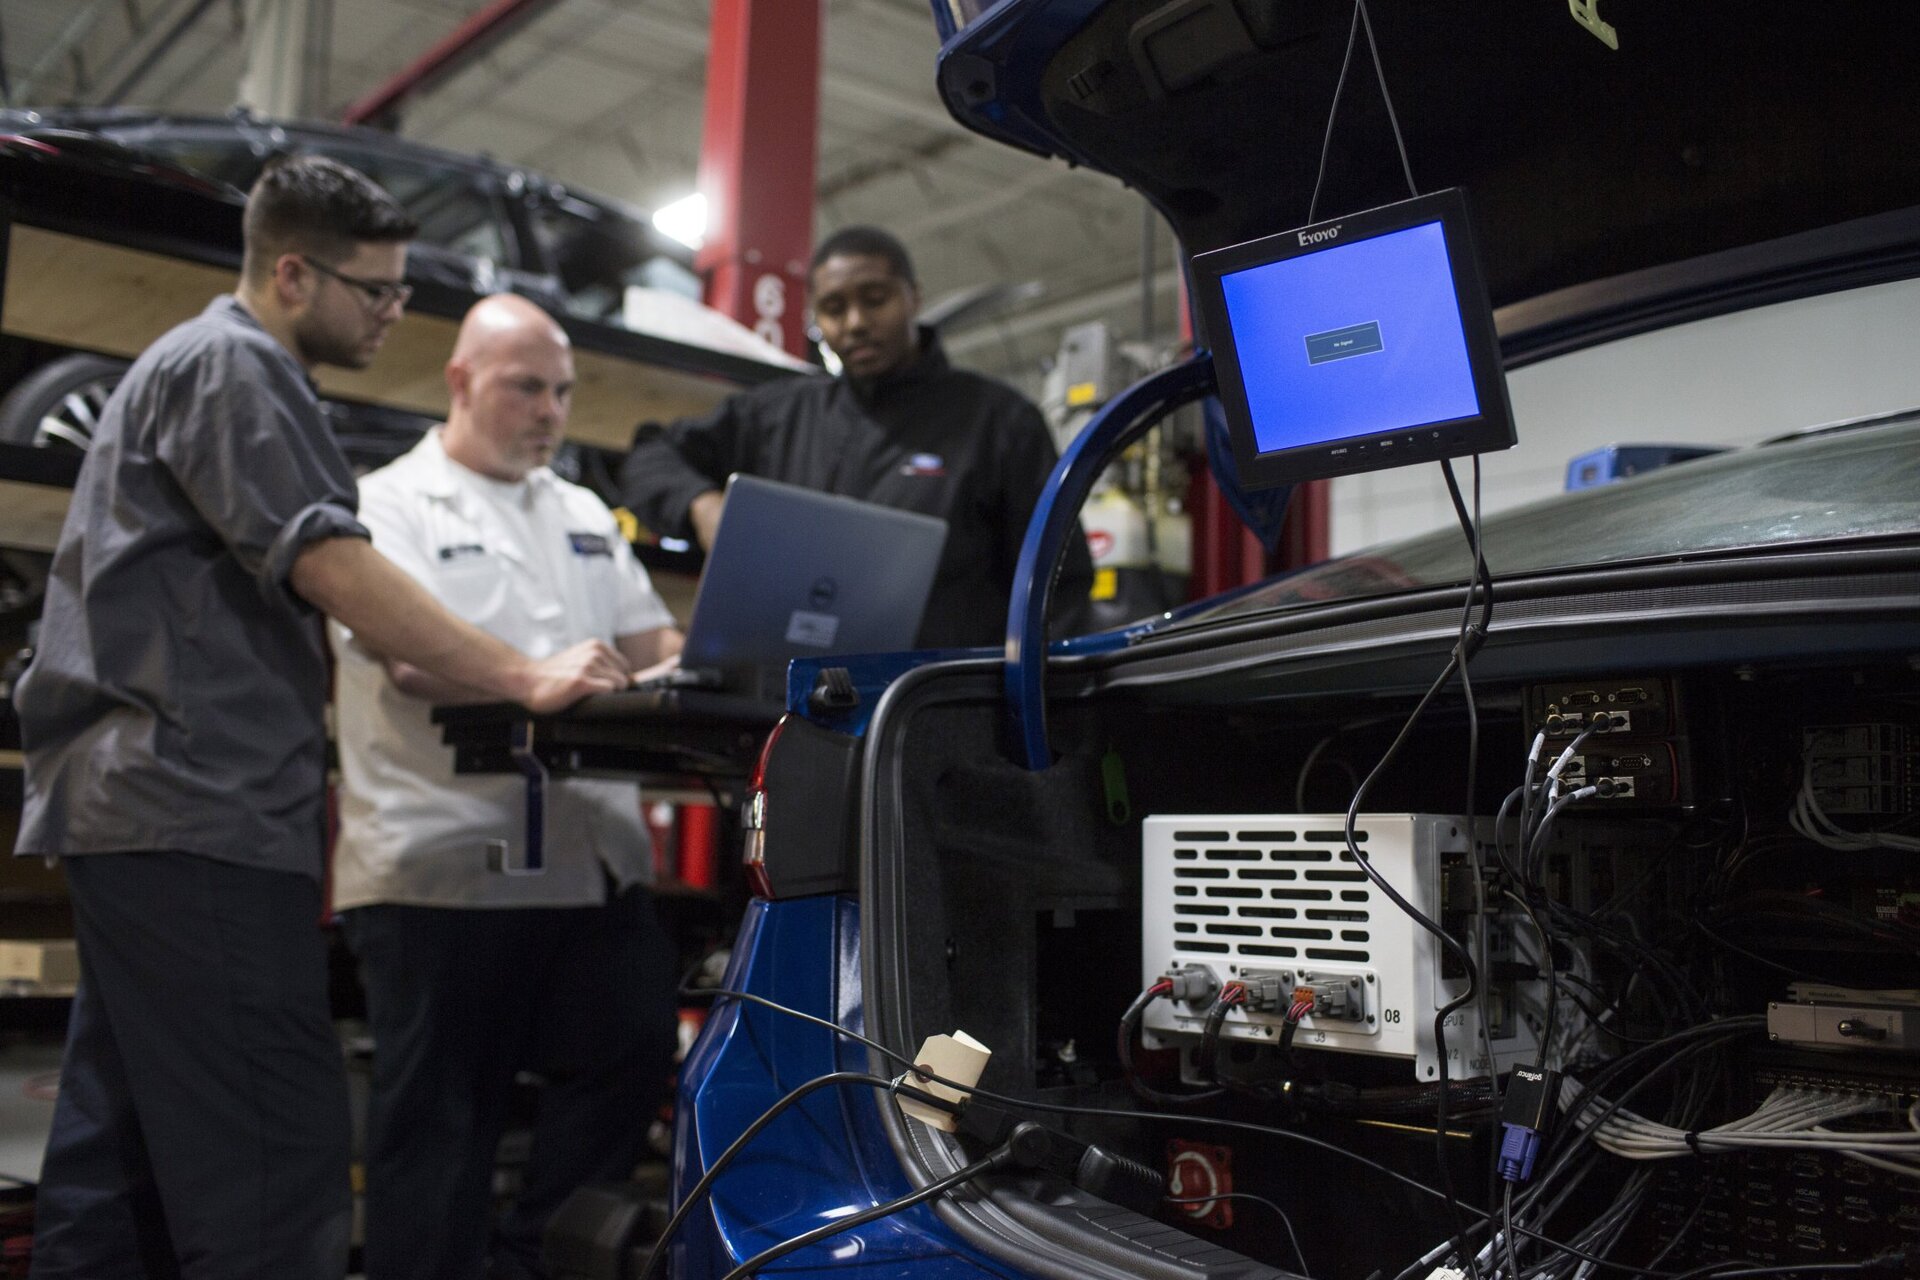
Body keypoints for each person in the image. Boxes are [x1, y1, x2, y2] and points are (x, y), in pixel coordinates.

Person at [13, 156, 632, 1280]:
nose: (392, 314)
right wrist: (523, 672)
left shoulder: (196, 364)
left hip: (140, 811)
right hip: (196, 809)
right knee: (273, 1168)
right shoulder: (236, 366)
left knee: (122, 1160)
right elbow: (334, 563)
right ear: (293, 272)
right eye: (377, 291)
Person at [328, 294, 683, 1280]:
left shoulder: (580, 512)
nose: (551, 410)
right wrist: (541, 673)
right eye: (527, 385)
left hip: (591, 868)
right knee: (442, 1134)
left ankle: (537, 1265)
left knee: (634, 1050)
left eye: (563, 391)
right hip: (447, 872)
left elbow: (659, 644)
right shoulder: (387, 501)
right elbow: (408, 659)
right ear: (460, 379)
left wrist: (697, 659)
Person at [619, 225, 1091, 649]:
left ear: (914, 297)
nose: (855, 323)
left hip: (933, 710)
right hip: (790, 702)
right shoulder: (778, 414)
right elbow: (648, 458)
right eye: (833, 308)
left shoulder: (999, 422)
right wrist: (701, 506)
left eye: (875, 298)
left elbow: (1059, 584)